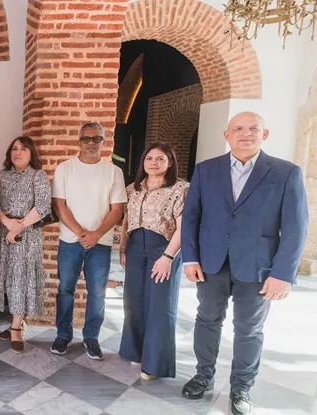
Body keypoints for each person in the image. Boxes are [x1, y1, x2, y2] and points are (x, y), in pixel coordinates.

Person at [180, 112, 308, 415]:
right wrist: (191, 257)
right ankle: (203, 376)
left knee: (249, 330)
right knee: (207, 320)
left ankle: (241, 388)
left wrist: (283, 274)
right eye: (238, 128)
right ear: (227, 135)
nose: (245, 133)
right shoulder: (205, 170)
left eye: (253, 128)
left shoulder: (285, 172)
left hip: (258, 267)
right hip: (212, 262)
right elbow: (191, 217)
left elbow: (296, 227)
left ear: (264, 134)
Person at [51, 122, 127, 360]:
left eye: (97, 139)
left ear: (103, 142)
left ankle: (91, 336)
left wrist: (95, 234)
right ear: (79, 141)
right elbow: (59, 205)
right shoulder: (65, 168)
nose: (91, 143)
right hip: (70, 241)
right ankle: (63, 335)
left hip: (101, 243)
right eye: (86, 139)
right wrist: (81, 232)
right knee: (65, 289)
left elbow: (117, 209)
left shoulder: (114, 172)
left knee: (97, 292)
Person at [117, 143, 189, 381]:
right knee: (134, 302)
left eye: (160, 158)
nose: (154, 163)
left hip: (163, 247)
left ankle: (155, 364)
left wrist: (167, 257)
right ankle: (135, 351)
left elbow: (183, 228)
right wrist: (123, 249)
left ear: (170, 162)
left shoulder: (180, 189)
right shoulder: (133, 188)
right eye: (149, 158)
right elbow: (126, 221)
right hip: (136, 247)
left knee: (159, 306)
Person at [0, 136, 51, 354]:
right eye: (14, 148)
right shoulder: (1, 175)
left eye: (23, 149)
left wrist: (18, 227)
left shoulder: (38, 176)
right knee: (6, 279)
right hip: (4, 231)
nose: (18, 153)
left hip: (27, 235)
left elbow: (42, 207)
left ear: (31, 153)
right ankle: (18, 321)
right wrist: (7, 223)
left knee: (21, 280)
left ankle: (15, 328)